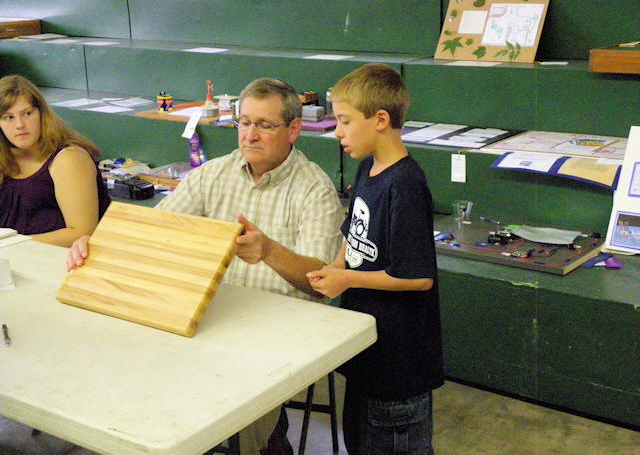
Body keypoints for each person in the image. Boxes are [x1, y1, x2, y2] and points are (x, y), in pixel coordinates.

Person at [67, 77, 345, 455]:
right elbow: (155, 231)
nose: (250, 135)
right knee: (138, 380)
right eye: (244, 122)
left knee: (235, 418)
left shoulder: (314, 188)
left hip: (277, 332)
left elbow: (319, 281)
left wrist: (269, 251)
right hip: (211, 315)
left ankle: (259, 441)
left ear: (294, 129)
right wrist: (95, 244)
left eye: (264, 125)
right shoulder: (214, 174)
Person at [307, 63, 444, 455]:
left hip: (399, 366)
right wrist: (337, 266)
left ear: (380, 120)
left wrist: (348, 280)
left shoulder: (406, 184)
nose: (338, 131)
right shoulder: (368, 166)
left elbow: (418, 277)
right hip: (368, 353)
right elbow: (354, 232)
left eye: (345, 121)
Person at [0, 75, 110, 248]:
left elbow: (81, 232)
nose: (20, 124)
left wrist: (12, 244)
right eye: (9, 117)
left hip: (60, 258)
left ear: (41, 113)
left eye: (27, 114)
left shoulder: (70, 158)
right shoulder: (5, 157)